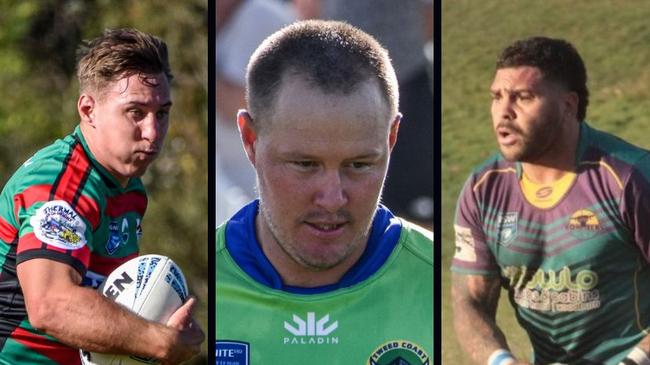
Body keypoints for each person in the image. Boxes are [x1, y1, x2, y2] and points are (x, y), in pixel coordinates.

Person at [215, 20, 433, 364]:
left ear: (391, 139)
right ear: (250, 140)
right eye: (304, 164)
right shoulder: (195, 298)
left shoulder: (444, 288)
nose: (333, 199)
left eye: (359, 165)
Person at [0, 28, 204, 364]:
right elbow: (51, 305)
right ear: (88, 109)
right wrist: (158, 341)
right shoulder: (60, 187)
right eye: (135, 112)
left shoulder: (129, 186)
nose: (153, 132)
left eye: (162, 113)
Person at [451, 36, 650, 365]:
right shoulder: (482, 190)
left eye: (523, 97)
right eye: (497, 97)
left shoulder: (630, 177)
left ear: (568, 106)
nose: (504, 111)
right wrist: (501, 361)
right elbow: (469, 301)